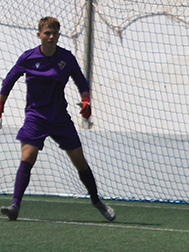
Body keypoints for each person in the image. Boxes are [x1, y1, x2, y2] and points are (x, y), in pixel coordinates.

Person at [0, 16, 115, 222]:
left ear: (59, 35)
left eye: (54, 33)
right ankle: (15, 206)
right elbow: (7, 82)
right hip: (35, 117)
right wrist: (0, 108)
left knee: (79, 161)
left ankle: (97, 201)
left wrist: (86, 102)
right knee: (28, 156)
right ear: (39, 35)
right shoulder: (28, 57)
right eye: (47, 33)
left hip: (60, 118)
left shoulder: (66, 58)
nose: (51, 37)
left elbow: (82, 82)